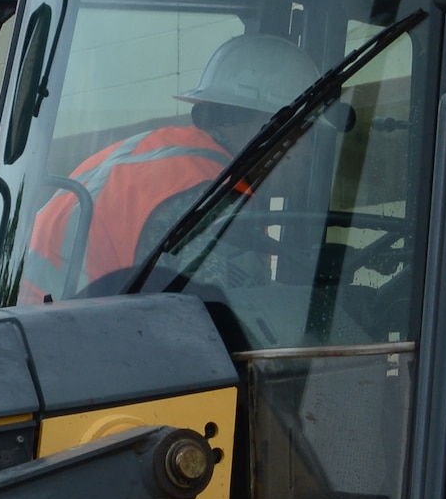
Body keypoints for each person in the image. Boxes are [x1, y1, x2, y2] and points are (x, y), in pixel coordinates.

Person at [23, 33, 318, 301]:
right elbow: (218, 323)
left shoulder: (167, 160)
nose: (311, 153)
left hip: (42, 326)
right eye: (307, 131)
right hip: (67, 343)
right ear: (272, 127)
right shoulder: (203, 196)